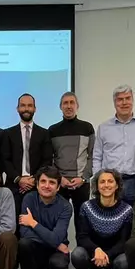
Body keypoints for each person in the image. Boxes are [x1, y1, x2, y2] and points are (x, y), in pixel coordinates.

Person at [71, 169, 133, 269]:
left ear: (117, 185)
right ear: (97, 186)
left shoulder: (127, 210)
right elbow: (82, 237)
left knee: (126, 260)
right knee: (77, 254)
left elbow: (124, 241)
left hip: (114, 254)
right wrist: (96, 250)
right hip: (92, 253)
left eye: (110, 181)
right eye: (102, 182)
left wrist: (107, 255)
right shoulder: (86, 207)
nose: (106, 185)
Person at [14, 166, 72, 269]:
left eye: (52, 183)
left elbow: (57, 238)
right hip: (42, 248)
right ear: (37, 184)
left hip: (55, 252)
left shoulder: (65, 206)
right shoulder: (29, 199)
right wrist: (56, 243)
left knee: (59, 263)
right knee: (24, 244)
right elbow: (25, 233)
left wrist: (33, 223)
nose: (47, 186)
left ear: (58, 187)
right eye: (43, 181)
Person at [93, 85, 135, 206]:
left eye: (128, 98)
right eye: (120, 99)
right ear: (114, 103)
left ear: (133, 100)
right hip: (110, 182)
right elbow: (97, 156)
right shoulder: (104, 128)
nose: (124, 103)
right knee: (109, 214)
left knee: (134, 215)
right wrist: (99, 180)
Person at [1, 93, 53, 218]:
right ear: (17, 108)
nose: (26, 109)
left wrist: (33, 179)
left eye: (30, 105)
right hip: (14, 187)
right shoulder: (8, 133)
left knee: (35, 222)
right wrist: (19, 179)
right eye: (23, 105)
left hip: (36, 187)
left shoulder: (44, 133)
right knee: (13, 223)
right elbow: (5, 160)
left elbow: (47, 160)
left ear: (35, 108)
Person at [48, 92, 95, 230]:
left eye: (72, 102)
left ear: (77, 106)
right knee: (56, 221)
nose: (69, 106)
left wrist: (83, 178)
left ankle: (81, 245)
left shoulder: (87, 128)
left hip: (81, 183)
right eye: (65, 103)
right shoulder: (52, 130)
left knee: (82, 223)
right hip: (60, 183)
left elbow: (93, 156)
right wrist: (58, 178)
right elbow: (49, 159)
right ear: (60, 107)